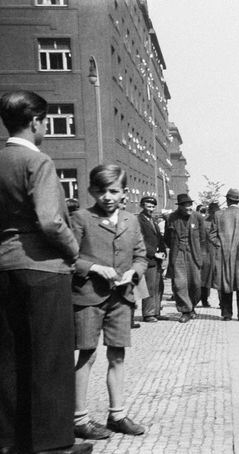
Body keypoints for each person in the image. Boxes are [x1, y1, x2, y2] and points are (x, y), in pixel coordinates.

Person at [0, 91, 92, 454]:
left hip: (4, 268)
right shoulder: (37, 162)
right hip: (43, 269)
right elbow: (52, 222)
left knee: (9, 357)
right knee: (51, 359)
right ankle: (53, 445)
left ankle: (9, 440)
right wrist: (73, 251)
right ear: (36, 121)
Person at [70, 164, 147, 440]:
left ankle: (117, 415)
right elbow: (69, 257)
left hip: (121, 299)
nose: (107, 196)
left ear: (124, 192)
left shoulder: (131, 220)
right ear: (91, 190)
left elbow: (141, 256)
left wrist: (133, 273)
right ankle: (79, 419)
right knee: (86, 356)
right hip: (89, 297)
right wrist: (93, 268)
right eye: (101, 191)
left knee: (117, 355)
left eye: (113, 191)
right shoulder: (80, 218)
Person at [210, 189, 239, 321]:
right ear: (238, 200)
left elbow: (212, 235)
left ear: (228, 200)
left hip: (223, 254)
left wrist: (220, 245)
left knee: (225, 282)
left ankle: (226, 314)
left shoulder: (218, 215)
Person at [164, 194, 206, 323]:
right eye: (186, 205)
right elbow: (167, 238)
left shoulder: (197, 217)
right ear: (180, 206)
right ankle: (185, 311)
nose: (189, 207)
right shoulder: (171, 218)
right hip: (178, 254)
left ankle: (192, 306)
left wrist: (202, 255)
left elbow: (203, 238)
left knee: (196, 284)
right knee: (179, 284)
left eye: (190, 205)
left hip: (194, 254)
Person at [138, 196, 167, 323]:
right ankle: (148, 313)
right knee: (149, 286)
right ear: (142, 206)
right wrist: (153, 254)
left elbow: (158, 239)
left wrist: (163, 252)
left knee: (158, 286)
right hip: (148, 258)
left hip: (158, 259)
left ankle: (156, 311)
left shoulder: (152, 220)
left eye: (153, 206)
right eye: (148, 206)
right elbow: (140, 241)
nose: (151, 209)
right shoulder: (139, 221)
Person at [200, 202, 220, 308]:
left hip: (216, 255)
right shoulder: (204, 223)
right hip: (206, 254)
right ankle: (204, 300)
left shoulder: (221, 223)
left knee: (219, 279)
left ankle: (222, 302)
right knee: (205, 280)